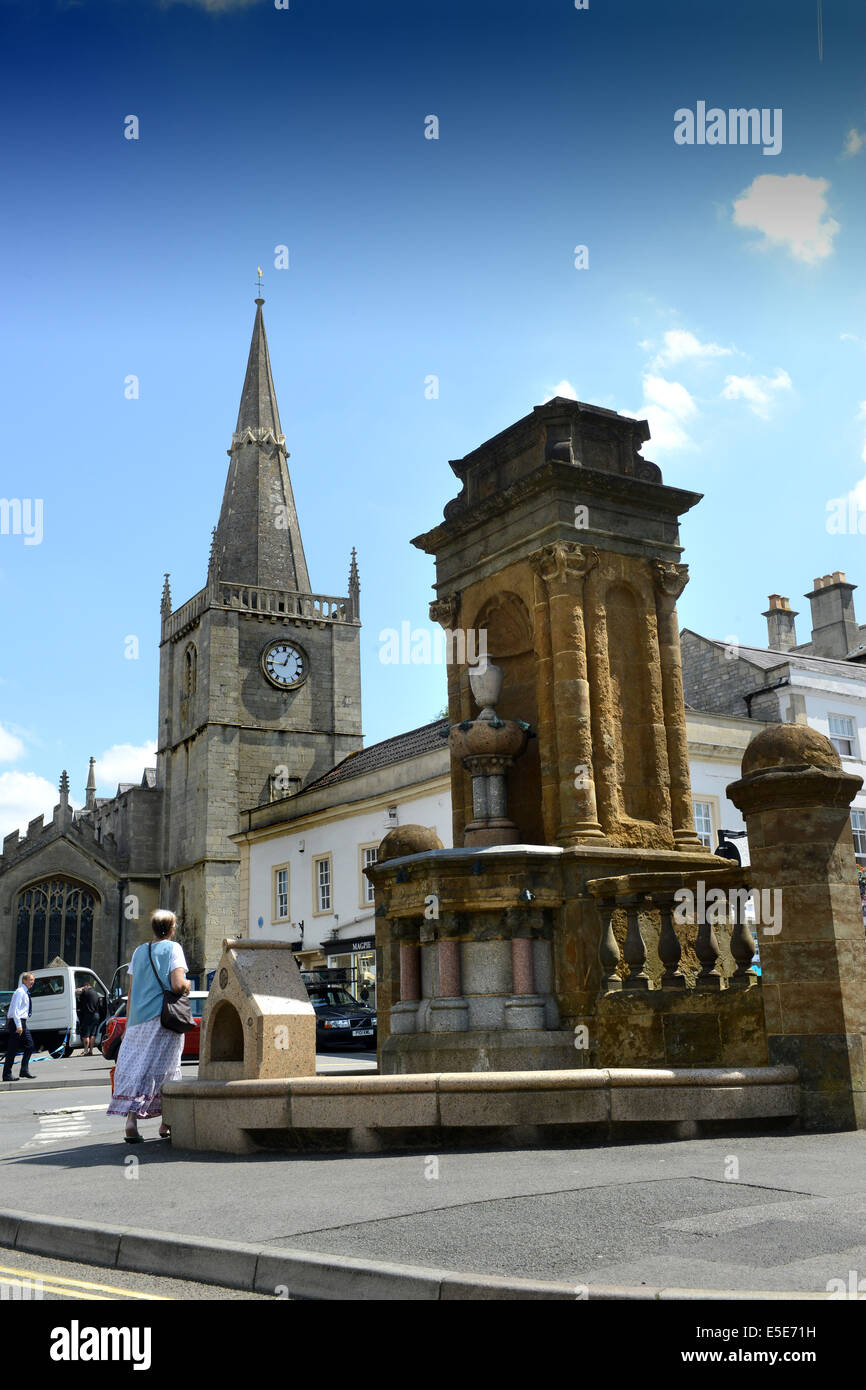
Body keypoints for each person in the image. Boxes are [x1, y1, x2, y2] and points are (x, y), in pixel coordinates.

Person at [106, 909, 190, 1142]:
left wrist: (127, 1025)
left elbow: (132, 991)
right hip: (162, 1019)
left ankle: (131, 1122)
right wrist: (187, 985)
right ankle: (166, 1123)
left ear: (153, 928)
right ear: (172, 928)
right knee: (168, 1070)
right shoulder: (174, 949)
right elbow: (176, 984)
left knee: (136, 1069)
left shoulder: (138, 952)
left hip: (136, 1021)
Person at [2, 973, 36, 1081]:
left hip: (21, 1022)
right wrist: (19, 1025)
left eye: (33, 980)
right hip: (17, 1022)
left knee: (28, 1045)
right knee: (15, 1048)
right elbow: (15, 1010)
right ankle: (7, 1074)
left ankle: (23, 1070)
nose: (32, 982)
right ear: (24, 980)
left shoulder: (25, 992)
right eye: (31, 980)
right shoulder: (20, 992)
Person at [75, 980, 101, 1056]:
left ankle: (85, 1051)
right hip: (96, 1015)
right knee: (92, 1034)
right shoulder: (95, 993)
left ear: (86, 986)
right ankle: (91, 1051)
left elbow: (76, 991)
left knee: (86, 1034)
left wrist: (82, 988)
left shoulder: (86, 991)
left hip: (88, 1015)